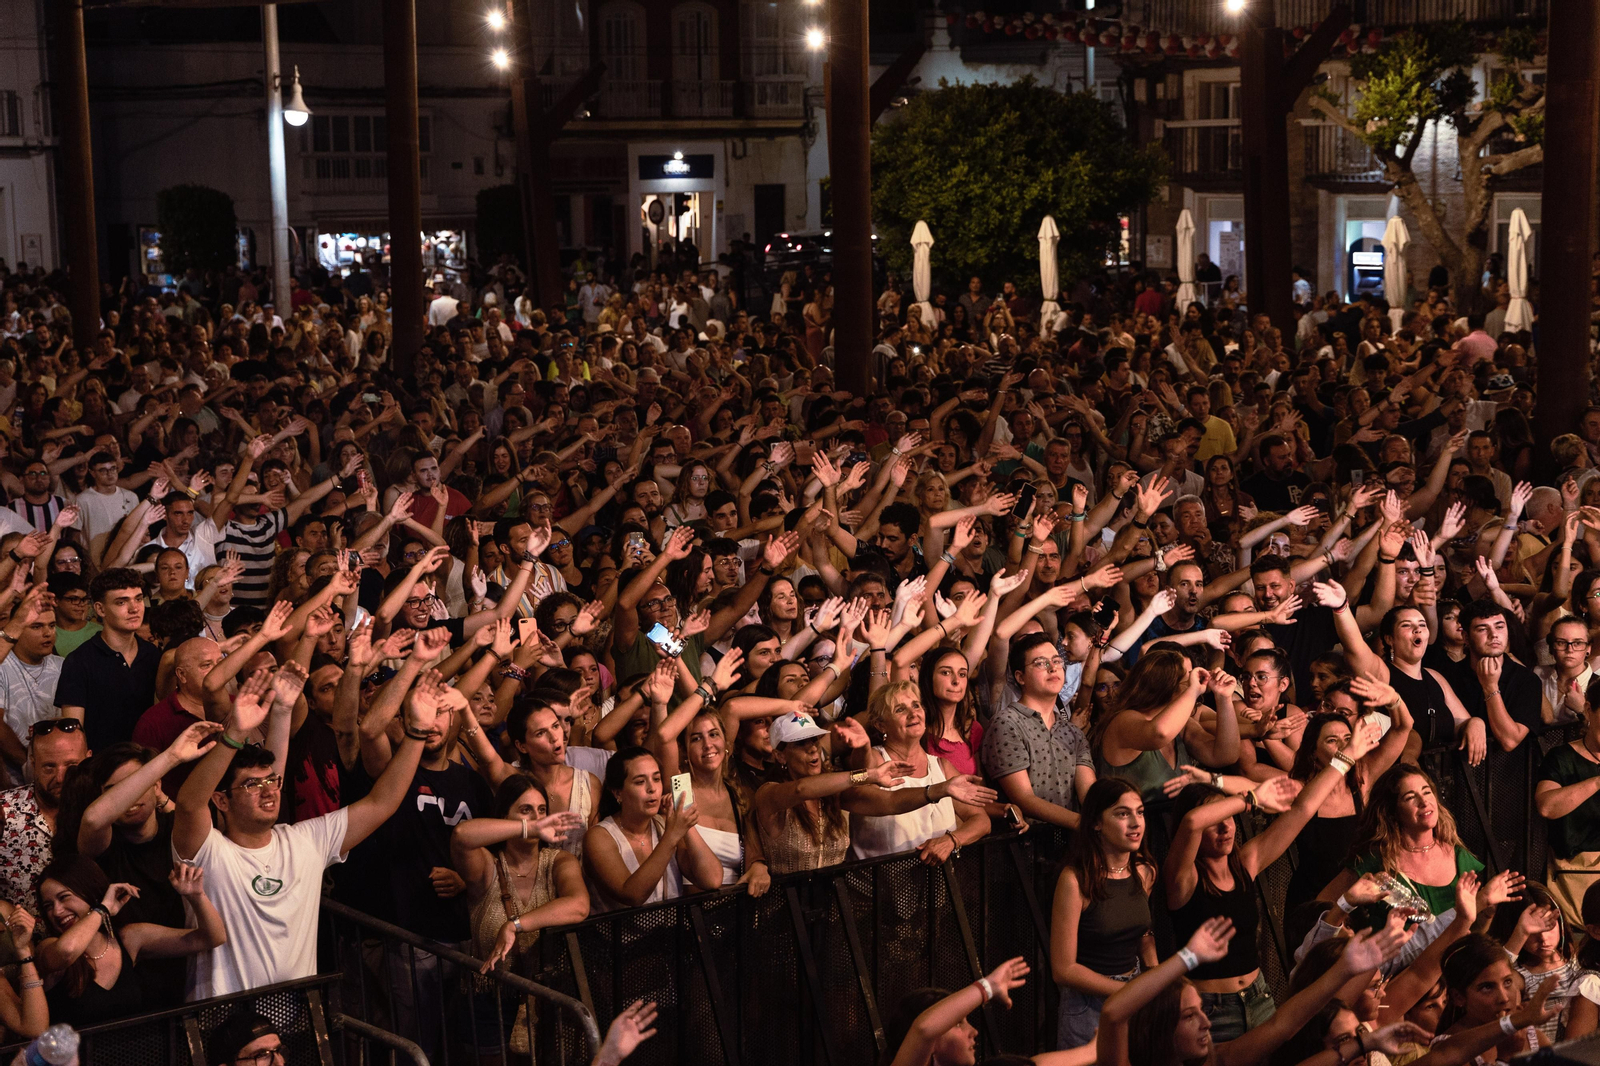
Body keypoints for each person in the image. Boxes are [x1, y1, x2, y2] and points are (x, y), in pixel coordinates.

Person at [172, 661, 429, 999]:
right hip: (225, 1024)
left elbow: (382, 803)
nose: (267, 791)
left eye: (271, 782)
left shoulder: (305, 840)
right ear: (221, 801)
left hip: (294, 1023)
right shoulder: (209, 850)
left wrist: (417, 734)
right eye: (252, 785)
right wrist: (235, 734)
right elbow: (190, 804)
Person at [34, 854, 226, 1024]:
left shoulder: (128, 939)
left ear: (89, 892)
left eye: (64, 897)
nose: (57, 911)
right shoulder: (47, 948)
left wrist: (196, 896)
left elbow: (211, 937)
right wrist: (103, 909)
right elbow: (68, 951)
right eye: (49, 905)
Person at [1049, 777, 1158, 1049]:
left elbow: (1142, 931)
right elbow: (1063, 970)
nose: (1136, 823)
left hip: (1135, 992)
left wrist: (1155, 977)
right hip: (1088, 1004)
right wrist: (1131, 992)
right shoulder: (1075, 880)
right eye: (1123, 814)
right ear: (1097, 822)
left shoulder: (1144, 871)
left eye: (1140, 812)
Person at [581, 747, 724, 912]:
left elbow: (712, 880)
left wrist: (685, 820)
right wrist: (672, 836)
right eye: (640, 782)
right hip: (620, 937)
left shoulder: (664, 825)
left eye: (656, 779)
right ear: (618, 793)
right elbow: (633, 895)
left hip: (672, 934)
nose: (652, 788)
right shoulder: (599, 837)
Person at [55, 568, 161, 746]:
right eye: (121, 602)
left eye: (138, 598)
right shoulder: (79, 661)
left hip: (147, 762)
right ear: (100, 609)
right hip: (100, 766)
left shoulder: (153, 655)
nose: (134, 608)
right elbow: (74, 732)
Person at [0, 718, 89, 908]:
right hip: (20, 935)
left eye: (71, 766)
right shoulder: (4, 809)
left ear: (88, 759)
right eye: (49, 766)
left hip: (90, 934)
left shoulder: (101, 809)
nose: (60, 778)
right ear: (32, 763)